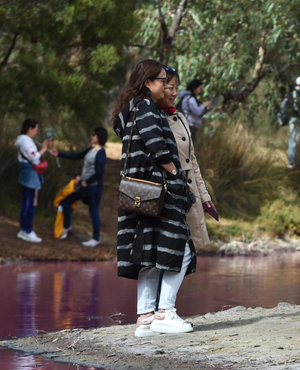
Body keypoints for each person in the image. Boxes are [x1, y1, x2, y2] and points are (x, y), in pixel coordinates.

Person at [111, 60, 195, 337]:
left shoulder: (130, 109)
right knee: (179, 247)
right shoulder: (147, 107)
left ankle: (145, 318)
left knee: (147, 252)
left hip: (139, 192)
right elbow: (157, 145)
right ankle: (165, 312)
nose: (166, 86)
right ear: (148, 83)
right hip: (159, 188)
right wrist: (175, 176)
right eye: (162, 81)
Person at [160, 66, 215, 250]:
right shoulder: (149, 118)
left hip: (188, 199)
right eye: (171, 87)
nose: (175, 93)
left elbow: (193, 162)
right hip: (164, 202)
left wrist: (205, 197)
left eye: (177, 88)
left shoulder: (180, 118)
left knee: (185, 256)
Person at [49, 128, 108, 247]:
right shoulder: (91, 149)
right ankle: (67, 227)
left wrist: (87, 181)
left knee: (93, 211)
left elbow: (100, 172)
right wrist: (59, 154)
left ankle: (96, 239)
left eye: (94, 135)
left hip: (94, 188)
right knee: (66, 201)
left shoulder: (101, 152)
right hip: (83, 185)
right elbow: (76, 155)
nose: (92, 137)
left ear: (99, 137)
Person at [15, 119, 51, 243]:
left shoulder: (22, 140)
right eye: (35, 129)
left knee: (26, 202)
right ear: (30, 129)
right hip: (30, 173)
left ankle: (24, 229)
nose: (36, 132)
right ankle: (28, 230)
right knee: (31, 203)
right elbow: (34, 157)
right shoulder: (26, 141)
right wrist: (44, 149)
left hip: (26, 172)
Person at [286, 77, 300, 168]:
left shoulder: (299, 94)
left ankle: (294, 161)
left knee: (295, 140)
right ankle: (291, 162)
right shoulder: (296, 94)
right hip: (295, 118)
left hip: (296, 119)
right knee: (293, 140)